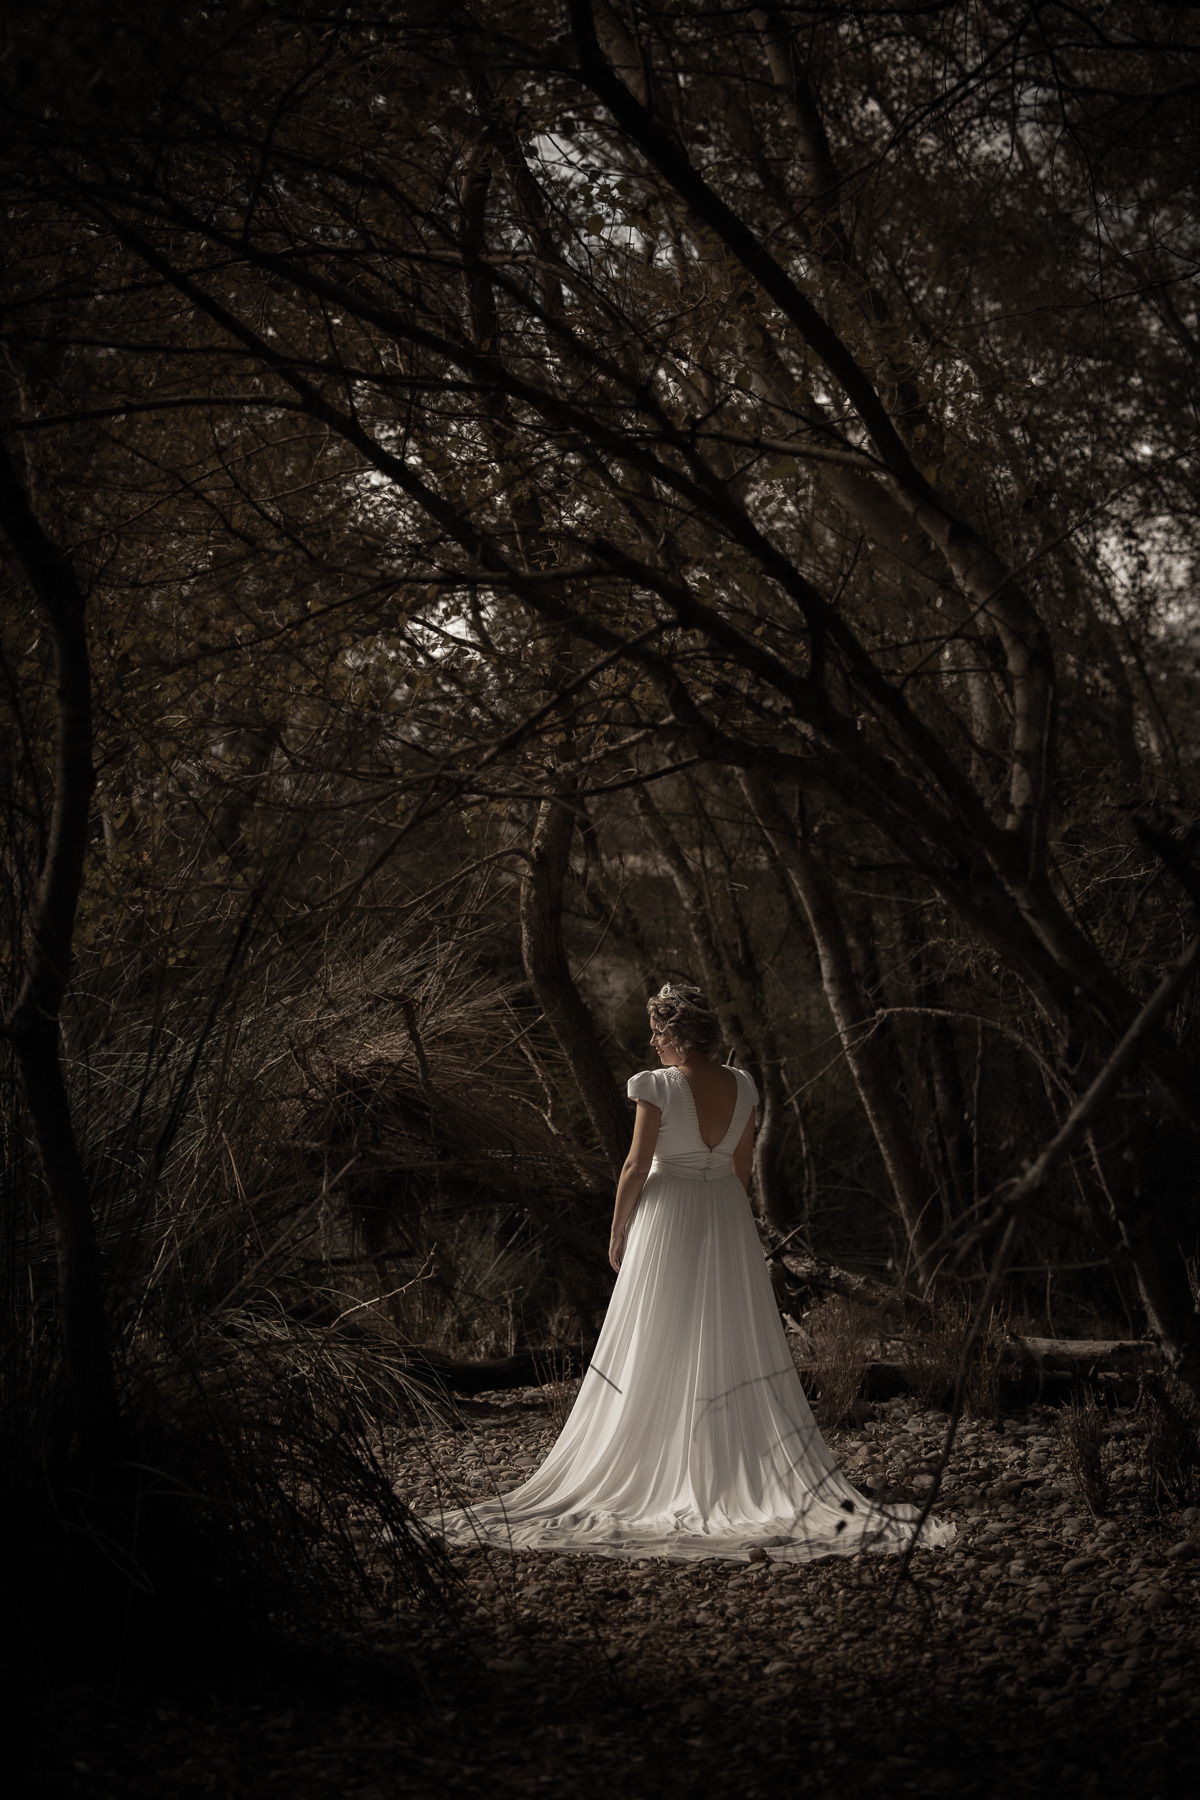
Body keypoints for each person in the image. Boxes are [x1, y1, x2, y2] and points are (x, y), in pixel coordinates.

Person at [426, 982, 954, 1563]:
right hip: (724, 1209)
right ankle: (722, 1457)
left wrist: (618, 1225)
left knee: (659, 1329)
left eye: (657, 1031)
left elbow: (633, 1164)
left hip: (667, 1209)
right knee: (724, 1330)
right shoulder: (744, 1084)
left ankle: (660, 1455)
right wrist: (727, 1211)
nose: (652, 1041)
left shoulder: (657, 1085)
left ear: (676, 1034)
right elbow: (742, 1165)